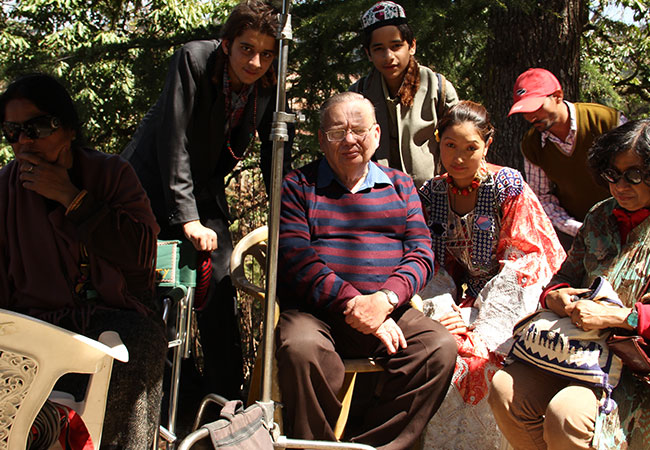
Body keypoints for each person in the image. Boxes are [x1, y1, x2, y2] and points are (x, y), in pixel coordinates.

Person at [122, 0, 293, 402]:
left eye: (267, 53)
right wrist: (188, 219)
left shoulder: (269, 80)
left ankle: (224, 404)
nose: (255, 62)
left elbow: (275, 154)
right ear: (227, 43)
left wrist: (287, 217)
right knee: (154, 290)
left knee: (219, 284)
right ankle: (155, 399)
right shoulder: (194, 60)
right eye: (246, 49)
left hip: (203, 190)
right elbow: (174, 139)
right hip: (147, 186)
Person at [275, 91, 457, 449]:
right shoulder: (297, 185)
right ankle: (316, 448)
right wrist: (354, 303)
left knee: (437, 348)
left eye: (358, 129)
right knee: (300, 348)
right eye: (337, 132)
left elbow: (422, 254)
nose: (349, 140)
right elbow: (298, 259)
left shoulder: (401, 185)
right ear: (321, 139)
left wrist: (385, 300)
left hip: (388, 310)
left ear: (375, 134)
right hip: (317, 314)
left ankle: (374, 446)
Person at [0, 73, 166, 449]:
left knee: (137, 346)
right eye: (12, 132)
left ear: (69, 129)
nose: (24, 142)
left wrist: (71, 198)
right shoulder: (4, 191)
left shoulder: (111, 175)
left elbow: (141, 258)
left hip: (112, 315)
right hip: (31, 325)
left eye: (37, 128)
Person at [488, 119, 650, 450]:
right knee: (505, 391)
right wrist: (556, 298)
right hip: (578, 350)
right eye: (613, 174)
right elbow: (563, 277)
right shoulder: (600, 216)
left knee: (567, 415)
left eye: (634, 174)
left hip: (635, 367)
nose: (620, 185)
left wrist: (620, 317)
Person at [417, 101, 566, 449]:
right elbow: (429, 263)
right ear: (438, 142)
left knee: (483, 359)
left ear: (487, 145)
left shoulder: (507, 186)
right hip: (464, 302)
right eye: (450, 145)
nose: (458, 157)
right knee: (442, 350)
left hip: (519, 305)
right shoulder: (431, 193)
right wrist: (444, 312)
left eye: (470, 147)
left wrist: (485, 329)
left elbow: (526, 261)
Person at [508, 67, 626, 250]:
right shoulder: (533, 146)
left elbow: (637, 174)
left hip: (626, 221)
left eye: (536, 107)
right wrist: (579, 229)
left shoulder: (607, 122)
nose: (531, 117)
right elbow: (543, 198)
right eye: (525, 111)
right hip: (577, 234)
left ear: (557, 96)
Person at [349, 1, 459, 188]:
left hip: (432, 194)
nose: (388, 56)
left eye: (396, 46)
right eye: (379, 49)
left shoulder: (437, 88)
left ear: (412, 46)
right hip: (376, 195)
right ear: (368, 53)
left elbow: (460, 139)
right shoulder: (358, 95)